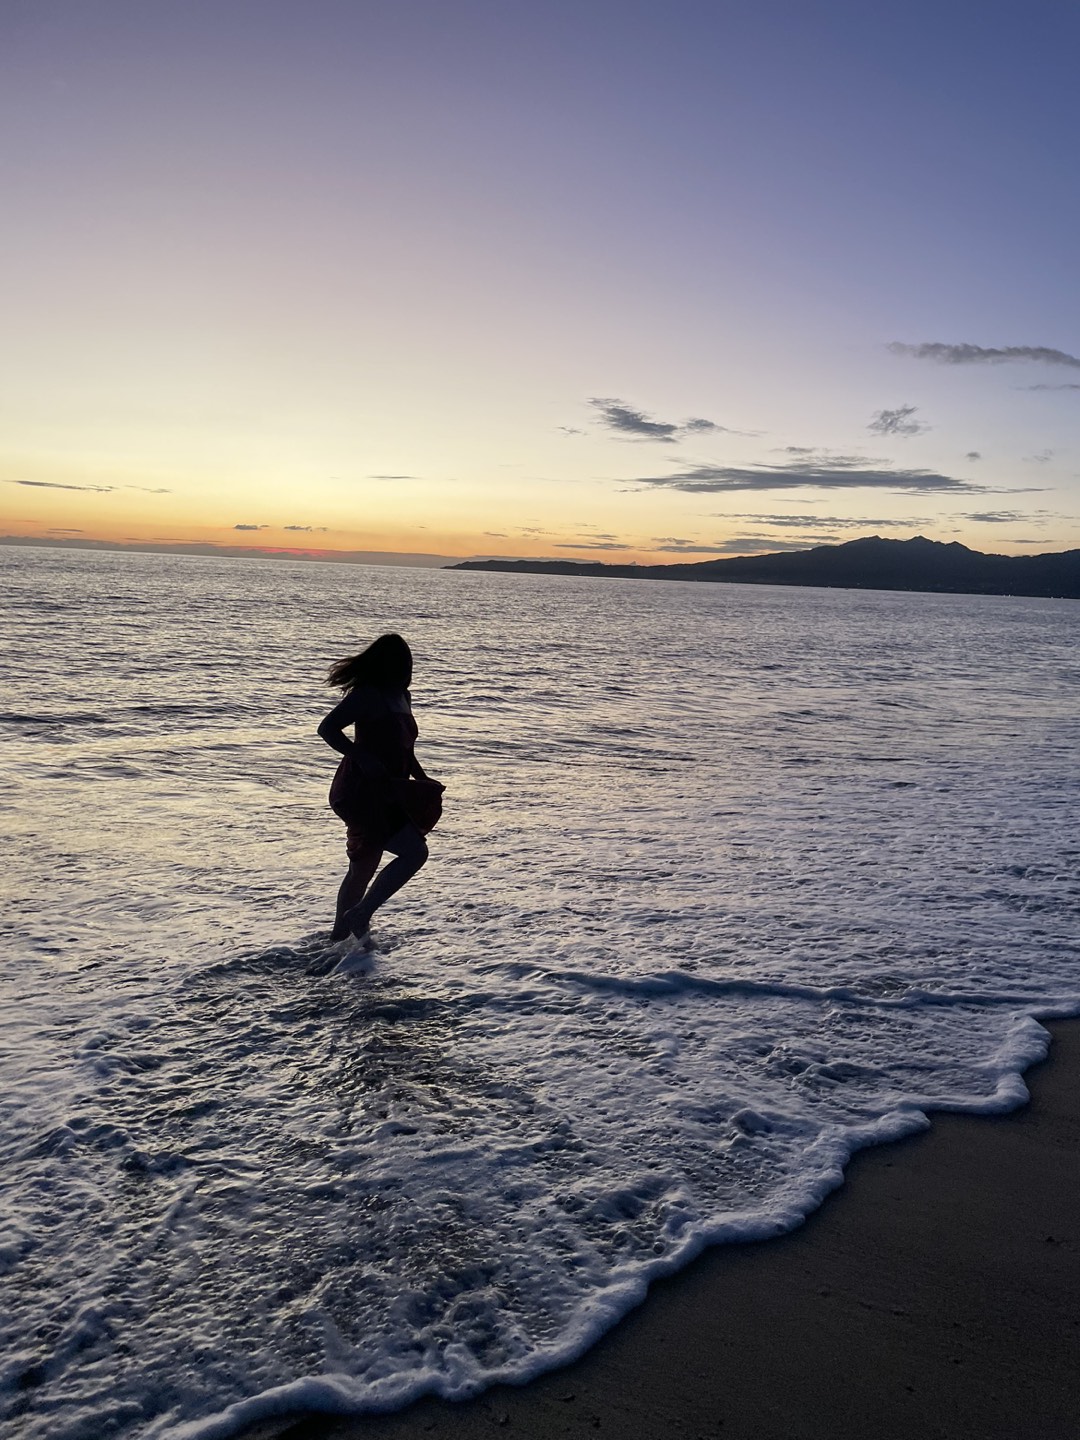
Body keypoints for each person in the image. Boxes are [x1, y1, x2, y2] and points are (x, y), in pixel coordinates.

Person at [318, 633, 443, 945]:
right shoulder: (368, 695)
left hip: (389, 789)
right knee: (415, 853)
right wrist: (360, 755)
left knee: (362, 867)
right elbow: (328, 728)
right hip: (362, 789)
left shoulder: (402, 696)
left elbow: (405, 748)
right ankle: (361, 914)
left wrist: (422, 779)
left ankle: (338, 941)